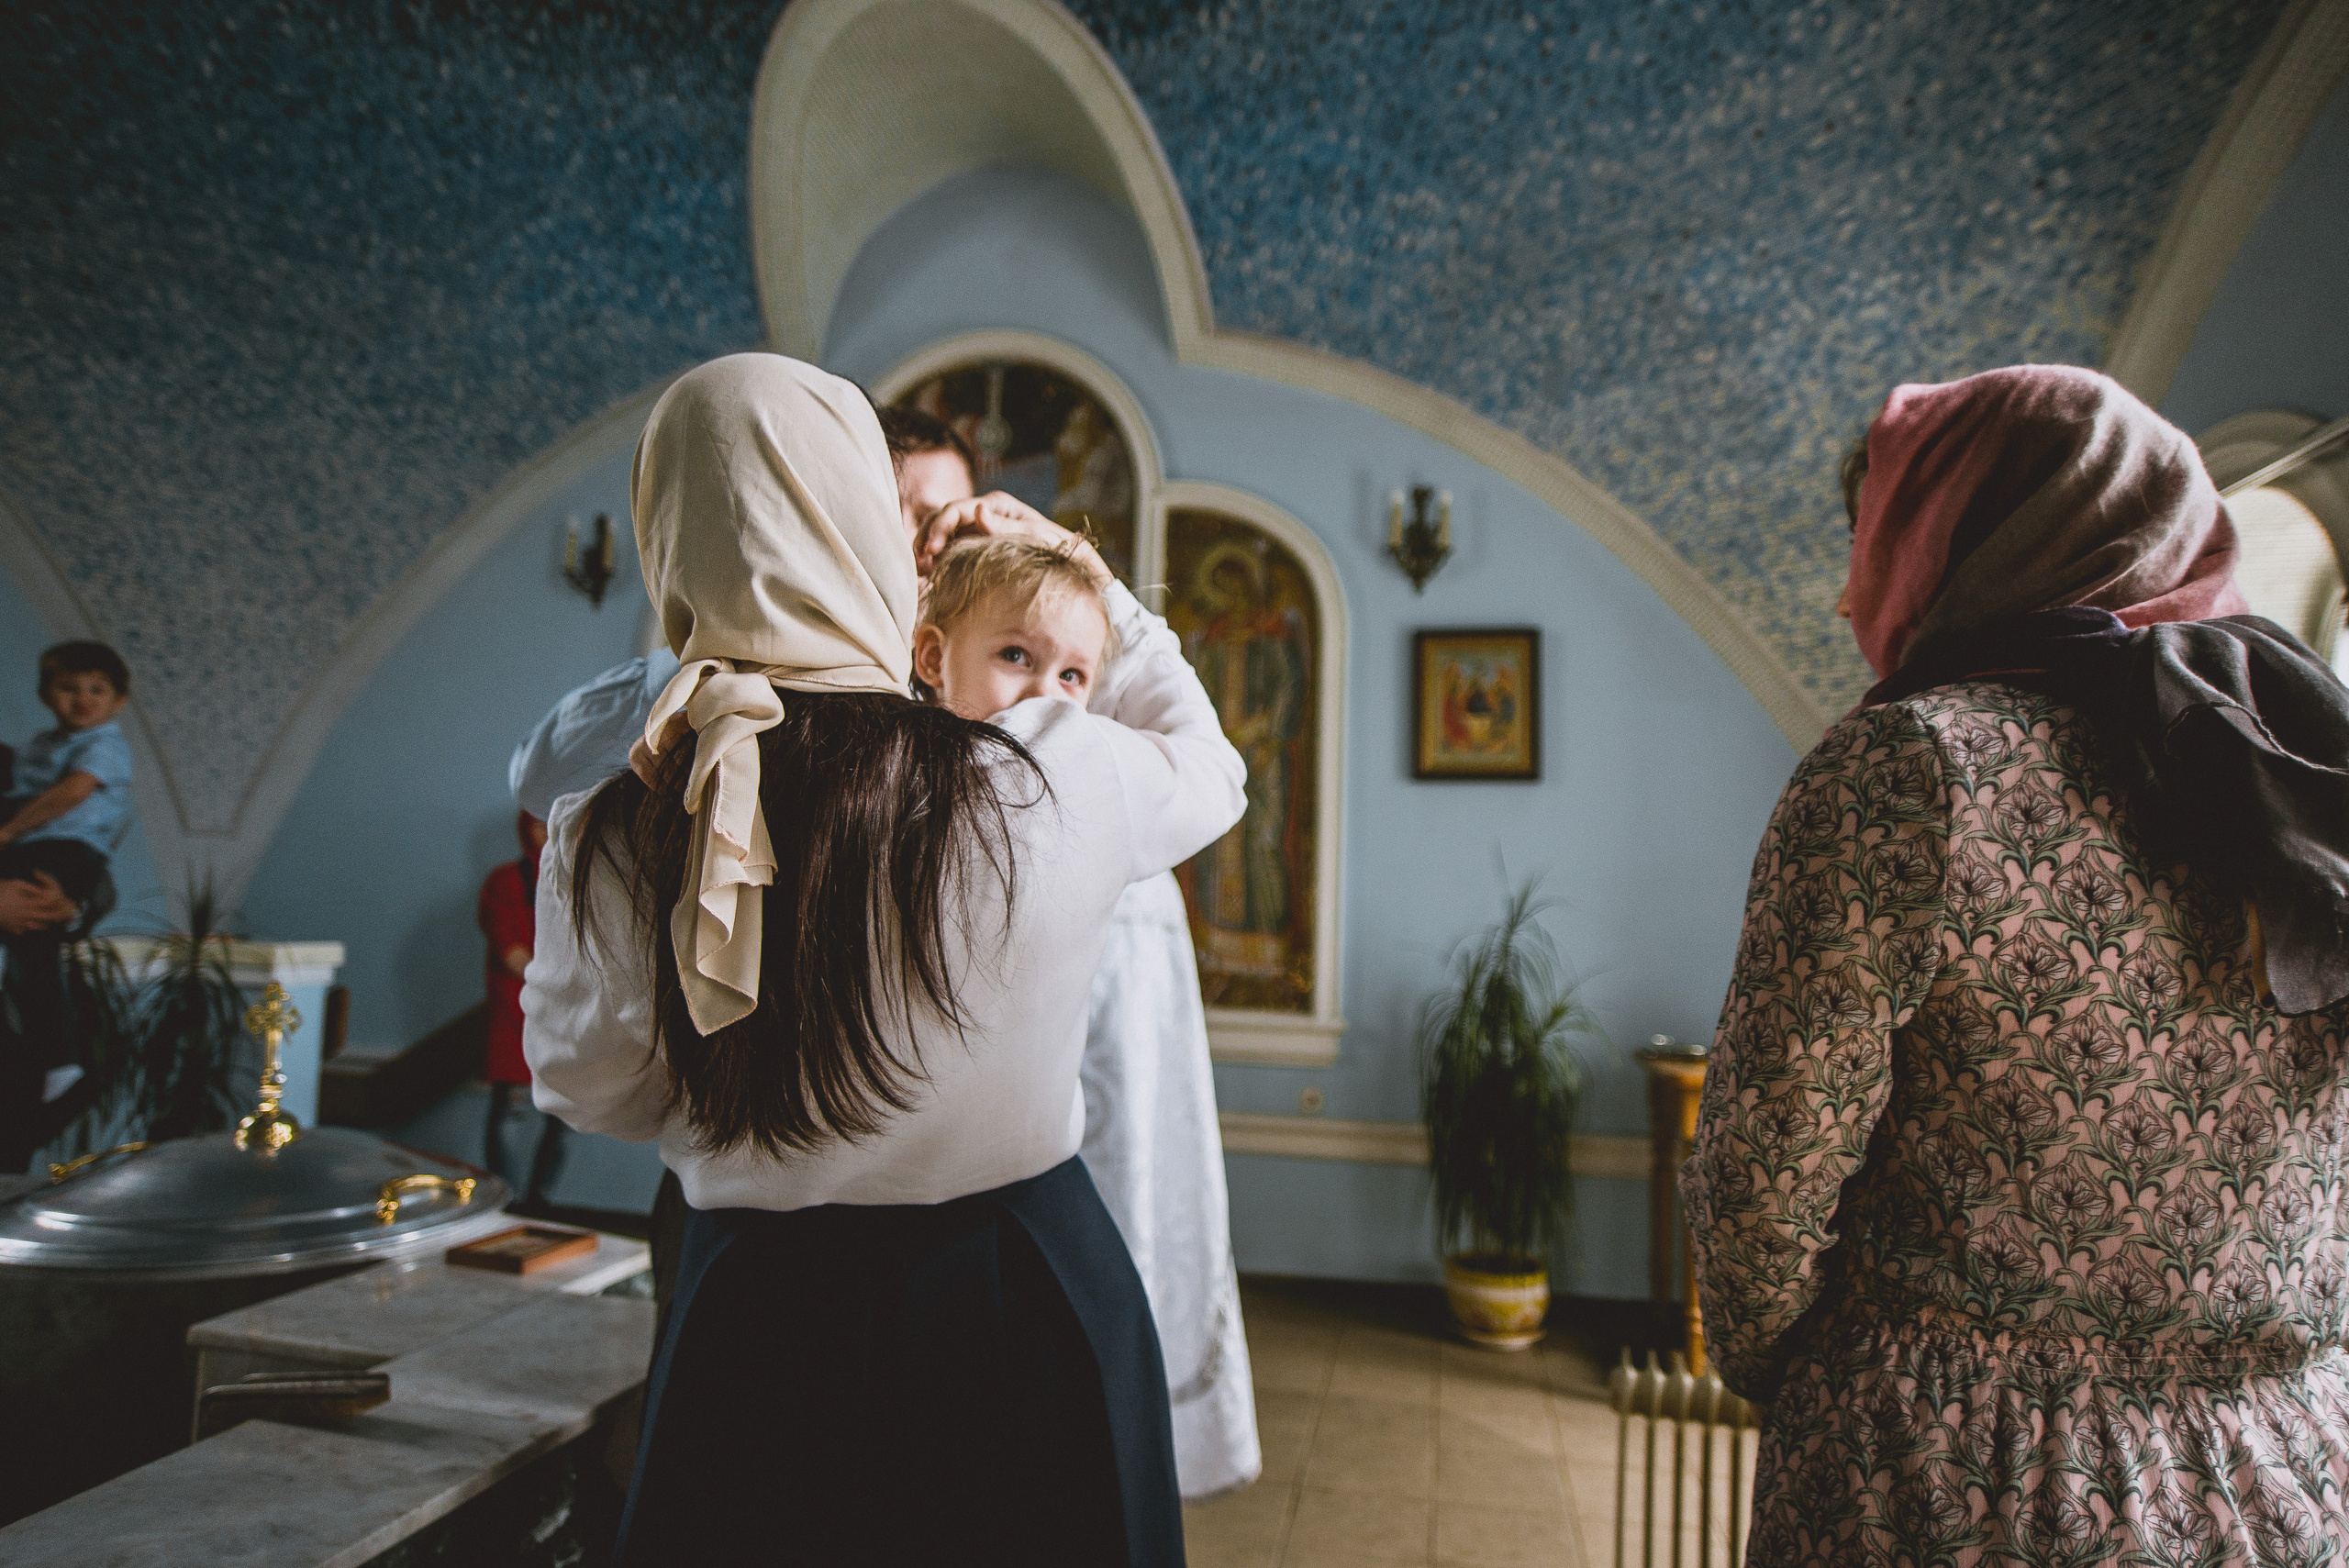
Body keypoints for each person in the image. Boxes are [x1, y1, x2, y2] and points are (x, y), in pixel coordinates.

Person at [523, 353, 1244, 1565]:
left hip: (761, 1303)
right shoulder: (1043, 772)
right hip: (1026, 1286)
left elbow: (590, 1089)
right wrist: (1094, 587)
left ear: (662, 535)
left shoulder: (617, 826)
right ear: (872, 520)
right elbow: (1210, 766)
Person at [1683, 365, 2349, 1564]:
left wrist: (1790, 1364)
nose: (1848, 596)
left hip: (1948, 1477)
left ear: (1964, 544)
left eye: (1876, 542)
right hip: (2285, 1474)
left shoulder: (1914, 771)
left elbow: (1760, 1193)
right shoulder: (2308, 767)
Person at [915, 537, 1263, 1496]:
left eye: (1073, 673)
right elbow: (1211, 765)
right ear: (929, 652)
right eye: (1015, 657)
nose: (1043, 694)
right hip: (982, 1186)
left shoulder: (1060, 765)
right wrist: (1102, 584)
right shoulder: (1064, 773)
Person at [0, 640, 132, 1172]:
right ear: (46, 695)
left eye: (96, 689)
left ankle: (58, 1058)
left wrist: (64, 908)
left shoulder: (16, 762)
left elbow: (97, 887)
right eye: (68, 688)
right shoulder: (41, 752)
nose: (82, 699)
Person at [478, 809, 564, 1208]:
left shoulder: (573, 880)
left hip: (564, 1018)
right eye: (537, 824)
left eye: (553, 823)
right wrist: (560, 979)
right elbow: (510, 951)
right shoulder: (506, 881)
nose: (545, 833)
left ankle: (538, 1201)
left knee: (565, 1118)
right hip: (518, 1016)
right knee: (509, 1114)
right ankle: (506, 1203)